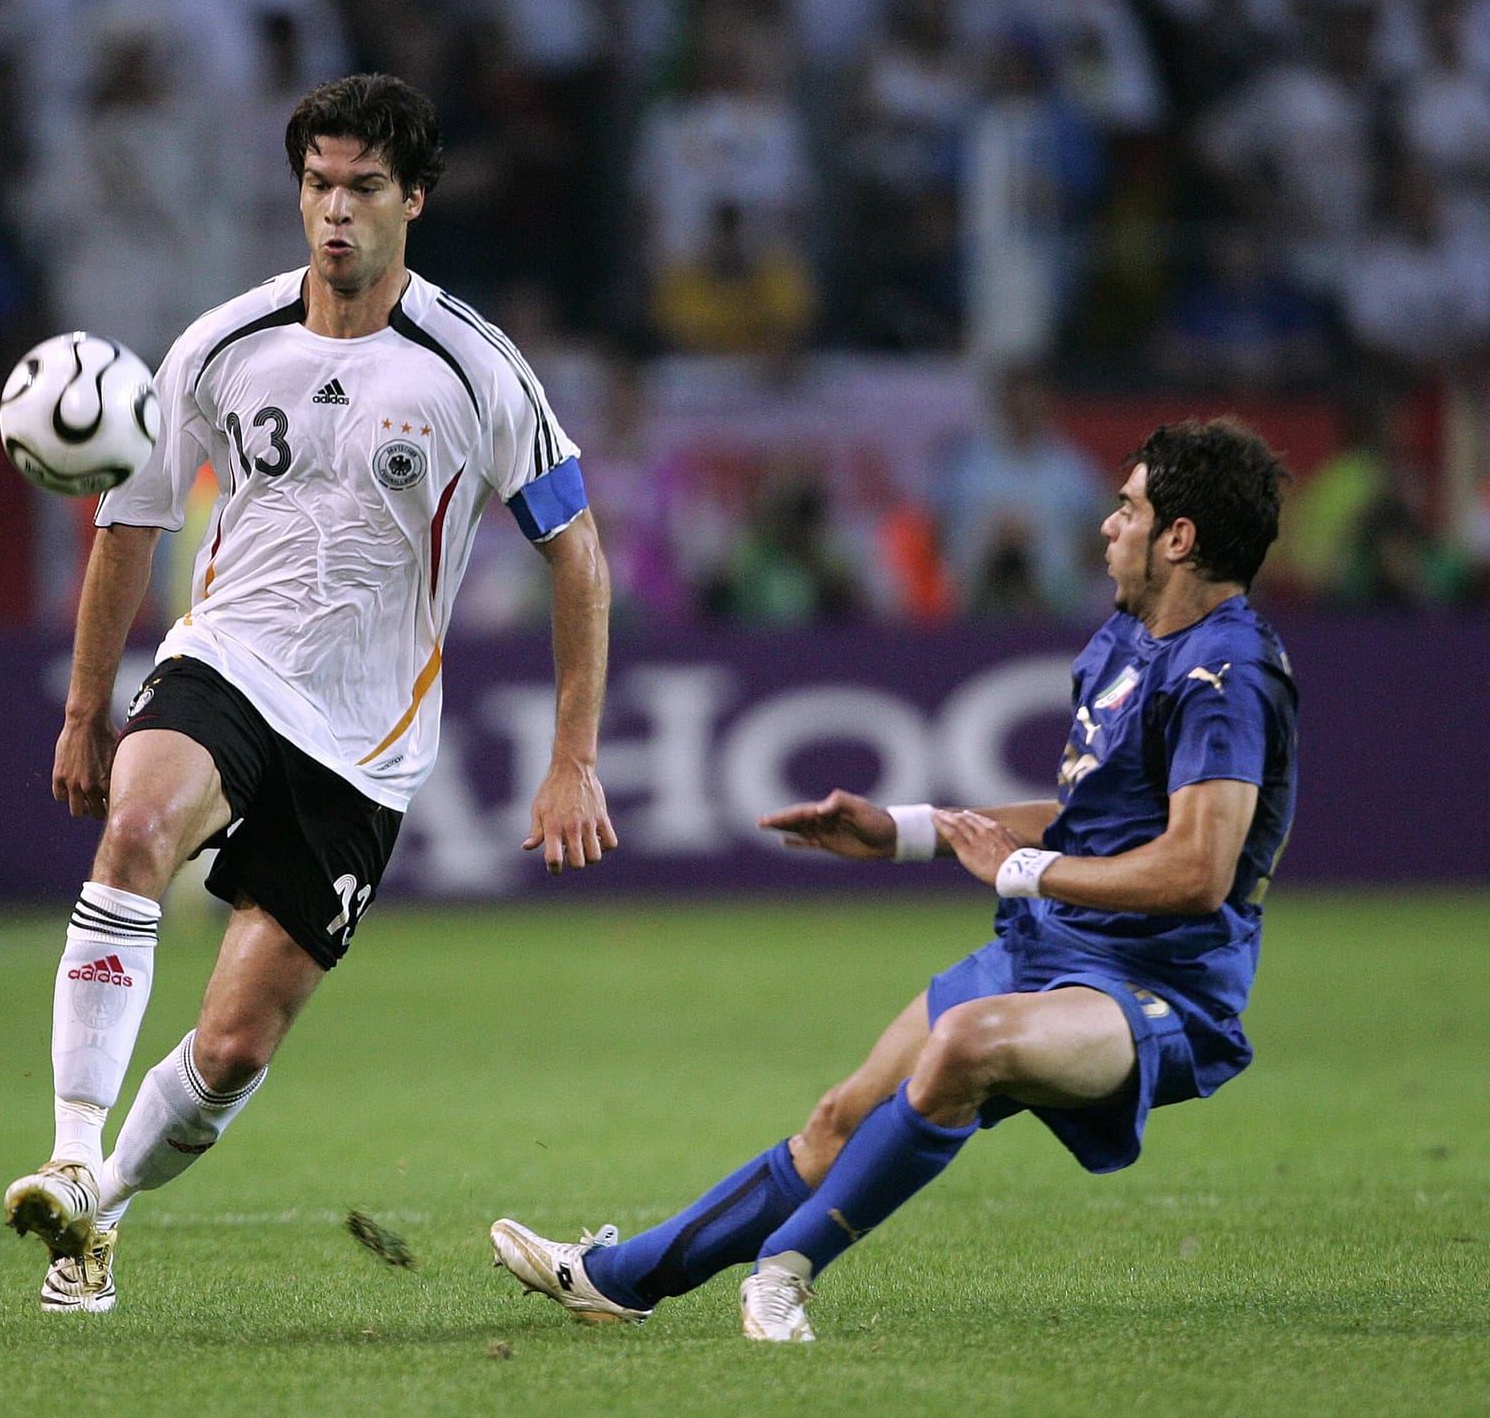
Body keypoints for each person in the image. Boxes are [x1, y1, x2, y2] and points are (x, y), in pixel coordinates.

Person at [2, 73, 616, 1313]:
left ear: (415, 201)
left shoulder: (477, 368)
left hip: (367, 746)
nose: (335, 213)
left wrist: (572, 757)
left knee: (232, 1050)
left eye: (364, 189)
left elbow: (579, 559)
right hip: (224, 663)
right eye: (317, 185)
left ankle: (99, 1208)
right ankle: (71, 1147)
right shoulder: (220, 345)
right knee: (133, 831)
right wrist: (83, 712)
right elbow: (129, 519)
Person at [492, 418, 1296, 1341]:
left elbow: (1198, 871)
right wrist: (906, 831)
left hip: (1161, 987)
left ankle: (784, 1272)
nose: (1108, 526)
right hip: (1054, 943)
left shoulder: (1227, 673)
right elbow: (1089, 824)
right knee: (840, 1115)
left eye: (1128, 509)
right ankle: (618, 1277)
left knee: (968, 1044)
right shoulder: (1124, 640)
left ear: (1180, 537)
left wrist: (1025, 870)